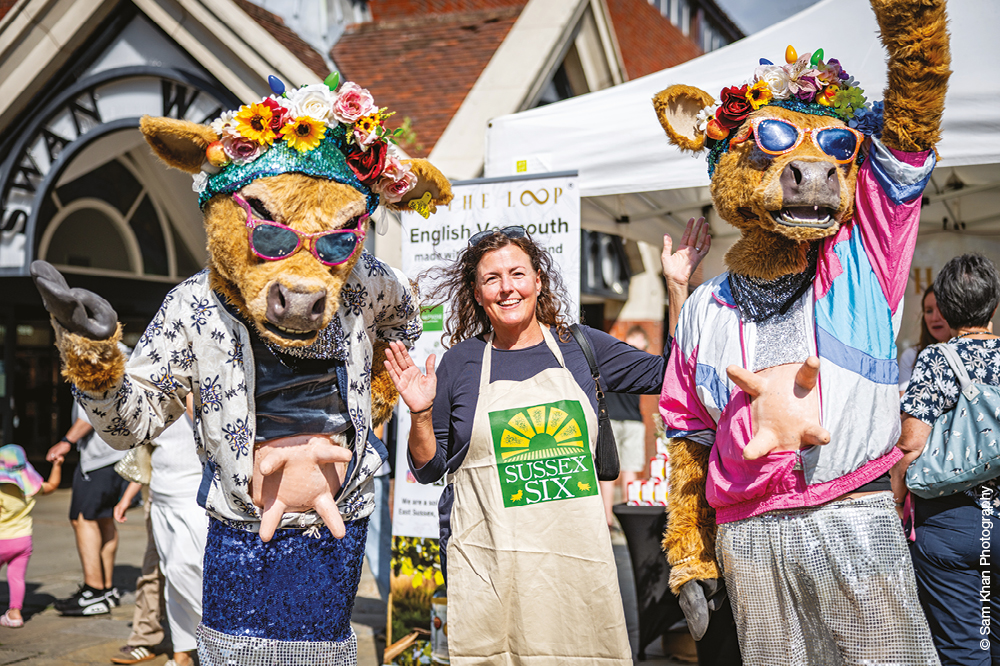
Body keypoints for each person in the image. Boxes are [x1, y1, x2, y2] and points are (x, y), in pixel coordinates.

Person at [384, 219, 709, 664]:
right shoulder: (461, 362)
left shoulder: (579, 346)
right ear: (477, 293)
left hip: (572, 569)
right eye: (491, 279)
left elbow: (672, 376)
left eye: (517, 273)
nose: (507, 288)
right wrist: (419, 413)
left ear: (538, 281)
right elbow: (428, 468)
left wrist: (676, 287)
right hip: (492, 568)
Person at [891, 253, 1000, 666]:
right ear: (992, 304)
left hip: (950, 523)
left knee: (964, 649)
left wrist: (896, 498)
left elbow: (910, 444)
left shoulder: (936, 359)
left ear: (948, 307)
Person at [114, 395, 206, 666]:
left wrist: (192, 404)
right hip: (160, 497)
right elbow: (145, 454)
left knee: (189, 568)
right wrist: (127, 498)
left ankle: (220, 638)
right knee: (171, 576)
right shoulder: (155, 395)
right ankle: (182, 654)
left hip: (194, 495)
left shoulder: (205, 387)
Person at [47, 404, 129, 616]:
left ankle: (94, 592)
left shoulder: (89, 369)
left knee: (83, 518)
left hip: (99, 458)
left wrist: (66, 442)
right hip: (117, 455)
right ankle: (106, 589)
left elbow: (92, 412)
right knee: (104, 519)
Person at [0, 444, 62, 628]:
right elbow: (52, 486)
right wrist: (57, 466)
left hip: (1, 540)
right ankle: (15, 614)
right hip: (23, 541)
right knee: (16, 577)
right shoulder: (29, 488)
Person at [602, 326, 652, 528]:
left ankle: (608, 519)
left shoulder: (612, 360)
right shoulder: (644, 365)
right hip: (628, 420)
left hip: (617, 419)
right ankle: (624, 520)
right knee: (625, 471)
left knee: (609, 471)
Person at [898, 285, 952, 394]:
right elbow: (905, 406)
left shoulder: (969, 353)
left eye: (941, 309)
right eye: (929, 311)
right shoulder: (911, 356)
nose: (934, 318)